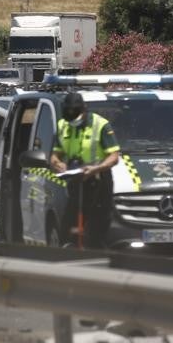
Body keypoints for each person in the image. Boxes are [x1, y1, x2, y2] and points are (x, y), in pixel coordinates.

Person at [50, 92, 121, 246]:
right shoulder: (63, 125)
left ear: (84, 110)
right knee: (68, 229)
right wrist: (57, 163)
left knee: (96, 231)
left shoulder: (100, 125)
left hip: (99, 181)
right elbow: (55, 155)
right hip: (76, 181)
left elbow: (114, 156)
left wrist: (97, 168)